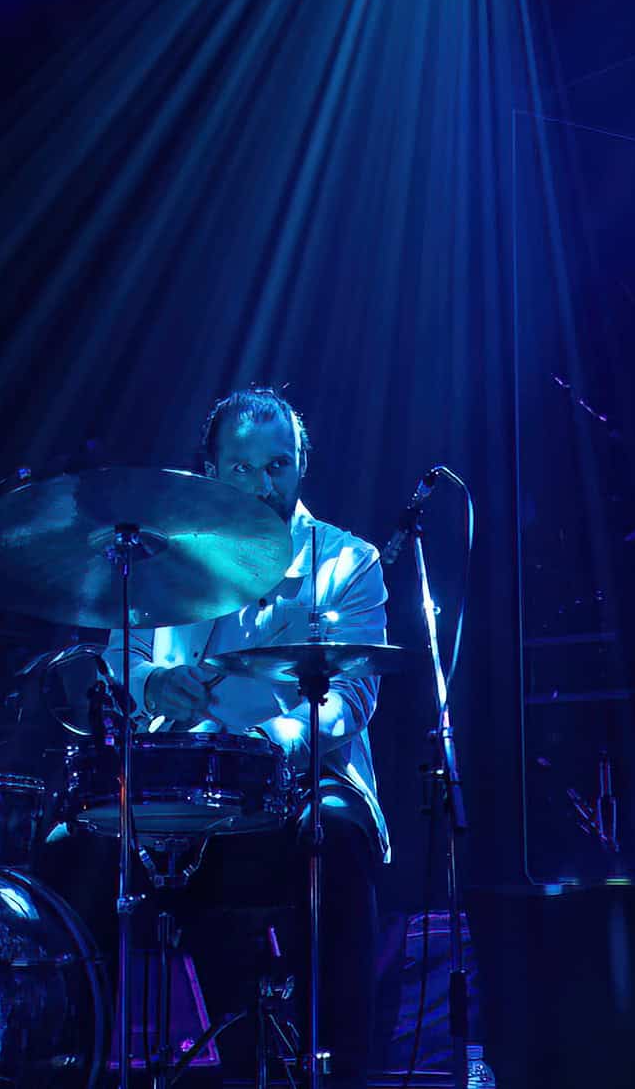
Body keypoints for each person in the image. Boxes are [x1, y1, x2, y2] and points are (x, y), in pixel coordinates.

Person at [105, 386, 389, 1087]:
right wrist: (152, 684)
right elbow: (119, 656)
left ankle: (342, 1067)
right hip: (186, 785)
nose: (264, 485)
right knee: (72, 845)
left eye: (278, 465)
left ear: (301, 466)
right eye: (242, 468)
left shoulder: (349, 561)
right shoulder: (165, 556)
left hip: (306, 780)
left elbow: (353, 697)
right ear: (209, 471)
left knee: (337, 835)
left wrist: (267, 743)